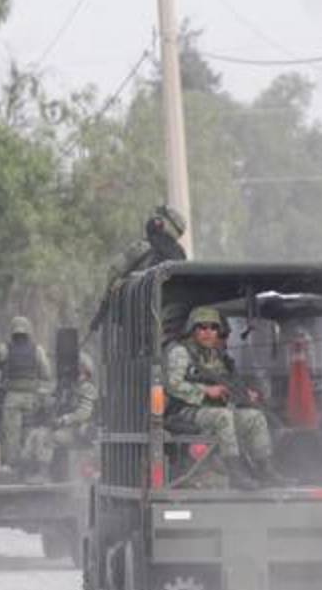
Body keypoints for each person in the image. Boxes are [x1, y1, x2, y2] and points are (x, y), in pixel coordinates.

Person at [164, 306, 287, 490]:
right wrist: (205, 391)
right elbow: (172, 386)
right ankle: (235, 473)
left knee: (254, 417)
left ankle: (265, 470)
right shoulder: (181, 352)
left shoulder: (215, 355)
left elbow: (227, 382)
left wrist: (245, 394)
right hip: (184, 412)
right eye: (202, 327)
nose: (208, 333)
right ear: (193, 330)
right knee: (223, 417)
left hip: (214, 410)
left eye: (213, 328)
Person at [89, 205, 188, 337]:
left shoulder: (142, 248)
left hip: (133, 329)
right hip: (168, 328)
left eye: (159, 217)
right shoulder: (180, 255)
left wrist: (105, 306)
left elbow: (114, 273)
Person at [21, 352, 97, 482]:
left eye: (75, 367)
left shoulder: (87, 388)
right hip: (63, 428)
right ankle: (28, 470)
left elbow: (84, 413)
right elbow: (54, 403)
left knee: (47, 437)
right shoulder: (67, 387)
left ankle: (43, 474)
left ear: (83, 369)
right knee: (34, 434)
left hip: (78, 432)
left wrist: (64, 419)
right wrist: (46, 402)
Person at [0, 316, 53, 468]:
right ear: (29, 331)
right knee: (30, 432)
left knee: (12, 434)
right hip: (32, 398)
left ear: (12, 331)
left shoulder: (5, 348)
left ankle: (13, 466)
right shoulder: (37, 349)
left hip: (12, 397)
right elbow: (47, 374)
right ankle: (31, 465)